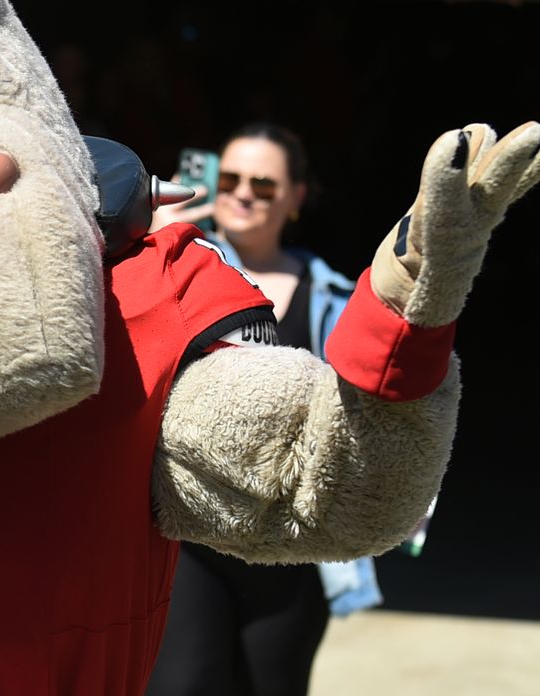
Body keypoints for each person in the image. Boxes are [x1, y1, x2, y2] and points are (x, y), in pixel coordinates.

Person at [145, 123, 371, 696]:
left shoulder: (336, 298)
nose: (243, 193)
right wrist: (157, 248)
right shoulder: (171, 267)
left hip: (292, 542)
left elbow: (362, 415)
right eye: (231, 179)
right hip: (191, 532)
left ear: (296, 197)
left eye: (264, 186)